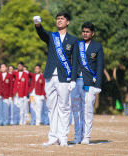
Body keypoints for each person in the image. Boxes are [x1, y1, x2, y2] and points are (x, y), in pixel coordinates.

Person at [33, 12, 79, 146]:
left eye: (62, 19)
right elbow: (42, 34)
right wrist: (37, 24)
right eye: (57, 19)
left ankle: (63, 136)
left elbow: (75, 61)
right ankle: (53, 136)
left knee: (64, 107)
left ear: (68, 22)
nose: (59, 21)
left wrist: (74, 79)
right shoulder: (52, 36)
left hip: (64, 77)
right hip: (49, 76)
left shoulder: (73, 40)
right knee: (51, 107)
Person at [70, 22, 104, 145]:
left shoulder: (97, 46)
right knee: (76, 110)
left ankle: (86, 136)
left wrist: (98, 85)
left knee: (87, 110)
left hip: (89, 83)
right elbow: (74, 64)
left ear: (92, 33)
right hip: (76, 82)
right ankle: (77, 135)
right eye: (83, 31)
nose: (85, 33)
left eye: (87, 31)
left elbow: (100, 67)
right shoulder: (77, 45)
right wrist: (72, 80)